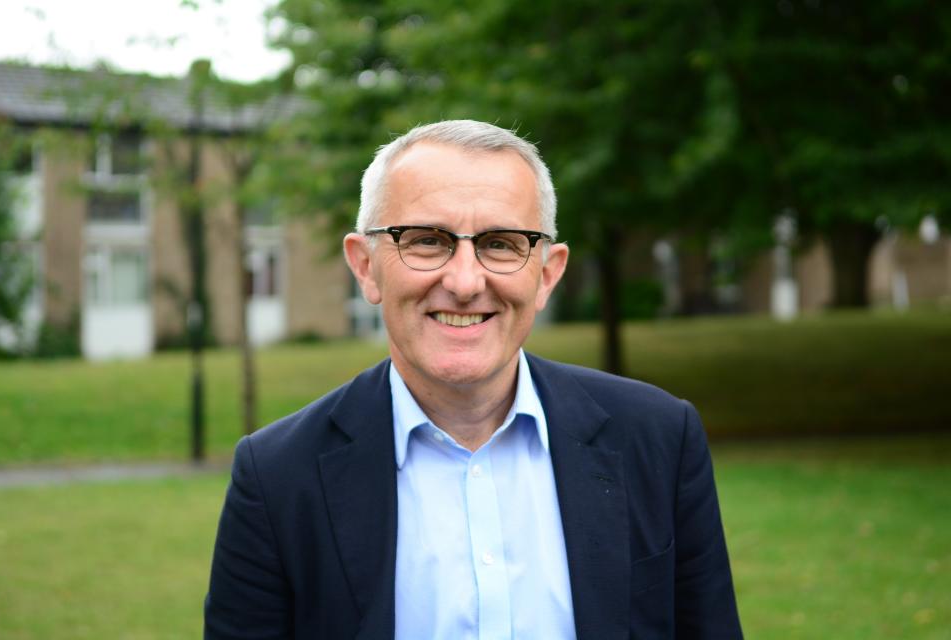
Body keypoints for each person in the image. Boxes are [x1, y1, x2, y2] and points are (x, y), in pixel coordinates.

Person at [204, 120, 742, 639]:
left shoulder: (659, 439)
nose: (464, 282)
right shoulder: (277, 478)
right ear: (366, 267)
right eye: (426, 241)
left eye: (502, 243)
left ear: (547, 274)